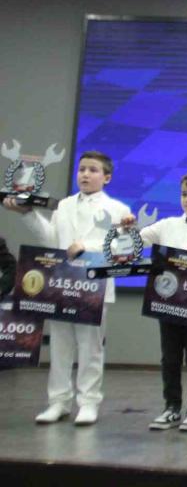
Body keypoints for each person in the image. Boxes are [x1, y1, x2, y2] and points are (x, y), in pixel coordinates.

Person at [3, 150, 130, 425]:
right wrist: (28, 214)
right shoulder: (64, 206)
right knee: (60, 345)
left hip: (94, 286)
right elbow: (52, 239)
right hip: (61, 284)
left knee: (90, 347)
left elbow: (121, 249)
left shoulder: (119, 209)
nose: (85, 174)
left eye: (93, 170)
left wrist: (87, 246)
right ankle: (58, 401)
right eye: (82, 169)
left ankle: (88, 402)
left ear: (106, 177)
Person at [133, 171, 187, 432]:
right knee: (169, 357)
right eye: (184, 194)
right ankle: (171, 407)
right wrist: (128, 227)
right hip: (167, 301)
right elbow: (137, 239)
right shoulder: (166, 225)